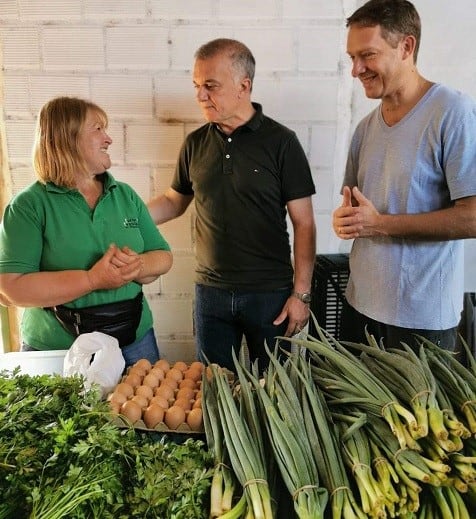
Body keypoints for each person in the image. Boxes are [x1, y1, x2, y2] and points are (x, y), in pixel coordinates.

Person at [148, 38, 316, 373]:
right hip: (211, 293)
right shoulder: (195, 143)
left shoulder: (282, 143)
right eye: (197, 86)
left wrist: (301, 295)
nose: (200, 95)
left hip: (270, 294)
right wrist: (125, 218)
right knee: (214, 390)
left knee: (274, 390)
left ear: (244, 85)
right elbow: (173, 202)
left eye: (210, 85)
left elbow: (304, 223)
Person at [333, 0, 476, 352]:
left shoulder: (453, 112)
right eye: (352, 58)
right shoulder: (365, 128)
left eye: (367, 55)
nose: (356, 69)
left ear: (406, 47)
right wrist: (346, 222)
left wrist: (379, 224)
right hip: (360, 308)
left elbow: (473, 217)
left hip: (423, 320)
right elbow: (356, 213)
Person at [0, 96, 173, 367]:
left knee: (137, 411)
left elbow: (163, 256)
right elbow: (13, 288)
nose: (108, 139)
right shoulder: (29, 206)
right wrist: (93, 279)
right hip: (58, 351)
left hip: (134, 342)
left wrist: (137, 265)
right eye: (98, 129)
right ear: (67, 138)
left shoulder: (124, 195)